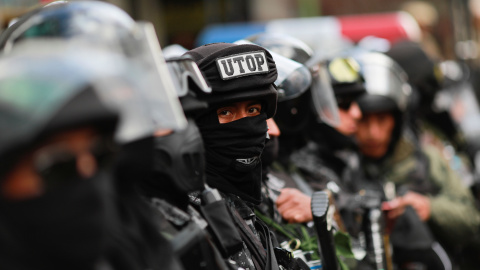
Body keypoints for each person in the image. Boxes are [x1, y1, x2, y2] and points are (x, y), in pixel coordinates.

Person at [185, 42, 310, 270]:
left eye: (253, 110)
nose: (245, 125)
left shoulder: (244, 204)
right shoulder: (183, 216)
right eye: (226, 112)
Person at [354, 51, 480, 269]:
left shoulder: (426, 157)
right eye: (364, 120)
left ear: (396, 120)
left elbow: (471, 221)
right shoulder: (346, 167)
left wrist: (429, 207)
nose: (373, 132)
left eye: (382, 119)